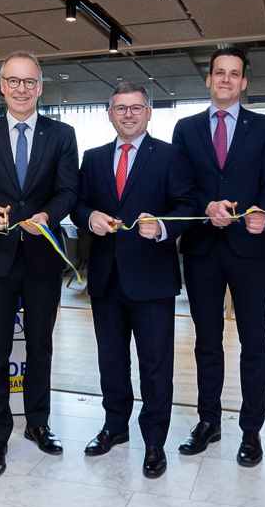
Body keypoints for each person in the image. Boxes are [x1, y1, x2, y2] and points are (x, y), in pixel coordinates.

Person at [73, 83, 195, 479]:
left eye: (135, 108)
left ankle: (155, 440)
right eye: (120, 108)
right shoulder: (92, 158)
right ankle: (115, 427)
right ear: (109, 114)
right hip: (106, 278)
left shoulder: (172, 156)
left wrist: (161, 226)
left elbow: (187, 207)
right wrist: (88, 217)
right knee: (111, 361)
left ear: (148, 112)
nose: (128, 114)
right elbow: (78, 203)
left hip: (152, 279)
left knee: (156, 365)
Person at [0, 50, 79, 477]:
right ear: (1, 85)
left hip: (42, 257)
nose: (21, 89)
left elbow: (69, 190)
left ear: (40, 87)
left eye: (29, 82)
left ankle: (38, 424)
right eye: (13, 81)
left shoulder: (62, 134)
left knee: (40, 348)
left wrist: (48, 215)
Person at [171, 48, 265, 467]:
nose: (226, 80)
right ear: (209, 80)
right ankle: (208, 421)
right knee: (206, 342)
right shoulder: (186, 128)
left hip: (250, 247)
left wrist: (264, 210)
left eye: (234, 74)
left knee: (255, 341)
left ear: (244, 82)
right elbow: (181, 188)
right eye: (219, 73)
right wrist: (207, 207)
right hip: (202, 247)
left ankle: (251, 429)